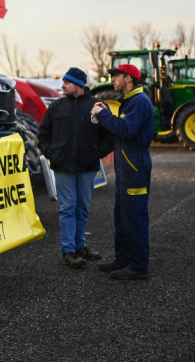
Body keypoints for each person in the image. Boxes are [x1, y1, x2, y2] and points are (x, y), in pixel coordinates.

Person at [38, 67, 115, 269]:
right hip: (63, 167)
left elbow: (109, 136)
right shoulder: (56, 107)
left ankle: (80, 247)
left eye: (67, 82)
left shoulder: (97, 106)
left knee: (83, 208)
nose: (63, 85)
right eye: (63, 82)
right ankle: (68, 251)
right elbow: (43, 135)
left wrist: (96, 153)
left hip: (87, 167)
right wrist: (51, 154)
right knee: (67, 208)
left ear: (79, 85)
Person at [90, 63, 154, 280]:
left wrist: (102, 115)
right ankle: (123, 259)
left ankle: (138, 266)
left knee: (134, 217)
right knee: (122, 215)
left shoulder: (139, 101)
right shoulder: (131, 101)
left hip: (134, 167)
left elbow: (126, 129)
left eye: (116, 76)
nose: (113, 80)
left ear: (129, 79)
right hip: (127, 167)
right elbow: (123, 125)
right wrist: (107, 112)